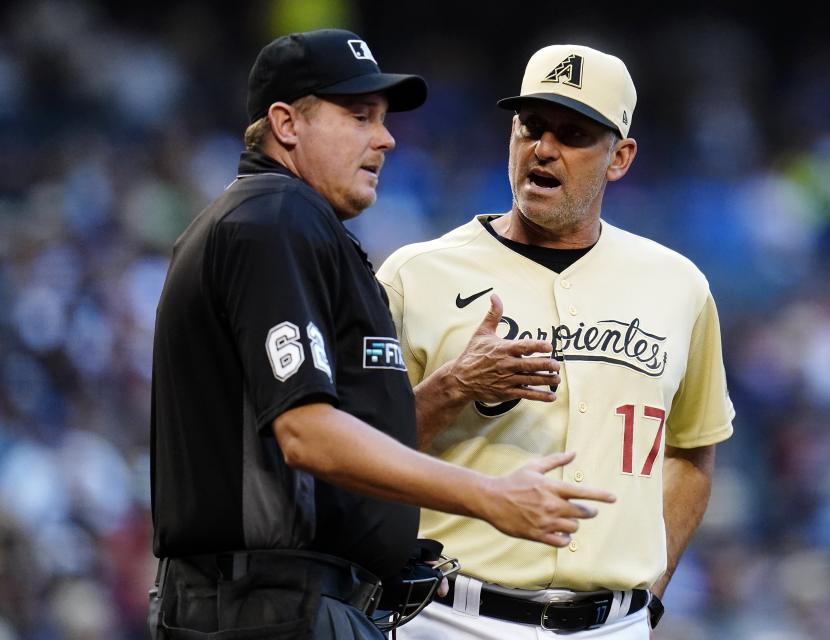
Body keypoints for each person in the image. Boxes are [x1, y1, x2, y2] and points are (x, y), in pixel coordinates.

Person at [149, 30, 616, 640]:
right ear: (287, 124)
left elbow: (323, 452)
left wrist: (448, 389)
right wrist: (487, 494)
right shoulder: (274, 221)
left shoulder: (284, 222)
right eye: (359, 116)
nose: (386, 137)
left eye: (384, 118)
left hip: (278, 599)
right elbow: (306, 435)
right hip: (265, 605)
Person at [377, 43, 735, 638]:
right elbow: (353, 459)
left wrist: (651, 592)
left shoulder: (679, 286)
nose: (543, 149)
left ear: (619, 157)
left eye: (572, 134)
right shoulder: (414, 275)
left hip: (612, 625)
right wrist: (452, 387)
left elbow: (692, 451)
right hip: (448, 615)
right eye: (531, 126)